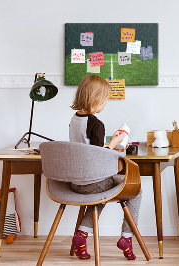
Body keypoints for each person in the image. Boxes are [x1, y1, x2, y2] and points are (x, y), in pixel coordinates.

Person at [69, 75, 142, 260]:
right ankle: (127, 237)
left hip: (75, 182)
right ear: (96, 99)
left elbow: (87, 150)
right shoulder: (96, 124)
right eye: (105, 99)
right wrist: (115, 143)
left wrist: (112, 146)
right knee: (135, 189)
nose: (105, 103)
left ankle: (82, 235)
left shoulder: (74, 120)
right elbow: (98, 157)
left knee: (100, 194)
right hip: (92, 182)